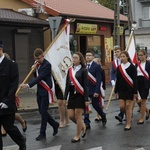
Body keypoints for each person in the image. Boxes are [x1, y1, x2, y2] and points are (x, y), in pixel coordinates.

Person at [20, 48, 59, 141]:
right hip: (40, 90)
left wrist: (28, 85)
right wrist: (33, 70)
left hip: (46, 90)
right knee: (42, 112)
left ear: (43, 56)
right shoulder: (37, 64)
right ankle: (54, 124)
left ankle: (42, 133)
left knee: (44, 112)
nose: (37, 60)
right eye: (36, 58)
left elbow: (40, 77)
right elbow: (36, 76)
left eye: (39, 58)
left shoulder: (47, 65)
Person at [0, 40, 26, 150]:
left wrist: (6, 101)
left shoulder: (11, 65)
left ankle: (21, 142)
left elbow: (13, 85)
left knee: (9, 128)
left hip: (6, 104)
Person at [64, 52, 89, 143]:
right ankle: (83, 126)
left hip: (80, 94)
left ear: (80, 60)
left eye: (75, 58)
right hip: (71, 94)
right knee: (71, 115)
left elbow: (86, 85)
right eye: (73, 57)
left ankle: (77, 136)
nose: (73, 59)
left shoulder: (83, 70)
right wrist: (64, 97)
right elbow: (67, 84)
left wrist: (86, 99)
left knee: (78, 116)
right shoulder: (70, 70)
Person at [115, 51, 138, 131]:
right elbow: (117, 79)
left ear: (127, 57)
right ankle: (129, 114)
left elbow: (135, 80)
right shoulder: (119, 67)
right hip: (121, 89)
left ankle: (128, 124)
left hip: (130, 89)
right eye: (121, 57)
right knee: (122, 106)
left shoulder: (132, 67)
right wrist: (116, 90)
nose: (122, 58)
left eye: (123, 56)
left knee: (128, 106)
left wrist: (135, 92)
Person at [84, 50, 107, 128]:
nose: (87, 57)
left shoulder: (96, 66)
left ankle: (103, 115)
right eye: (86, 55)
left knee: (95, 105)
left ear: (93, 57)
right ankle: (86, 122)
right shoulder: (84, 66)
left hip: (94, 90)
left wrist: (97, 91)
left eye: (89, 55)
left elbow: (98, 80)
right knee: (85, 105)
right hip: (86, 90)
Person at [136, 50, 150, 124]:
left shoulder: (148, 64)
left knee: (143, 101)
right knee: (138, 100)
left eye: (141, 55)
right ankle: (147, 111)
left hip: (145, 83)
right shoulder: (137, 64)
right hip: (138, 82)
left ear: (145, 55)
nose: (140, 57)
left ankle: (142, 118)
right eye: (139, 55)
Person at [93, 57, 106, 122]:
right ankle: (98, 115)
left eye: (96, 62)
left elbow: (103, 80)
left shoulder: (101, 70)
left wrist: (104, 88)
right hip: (93, 87)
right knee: (96, 102)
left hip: (100, 87)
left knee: (101, 101)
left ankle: (99, 115)